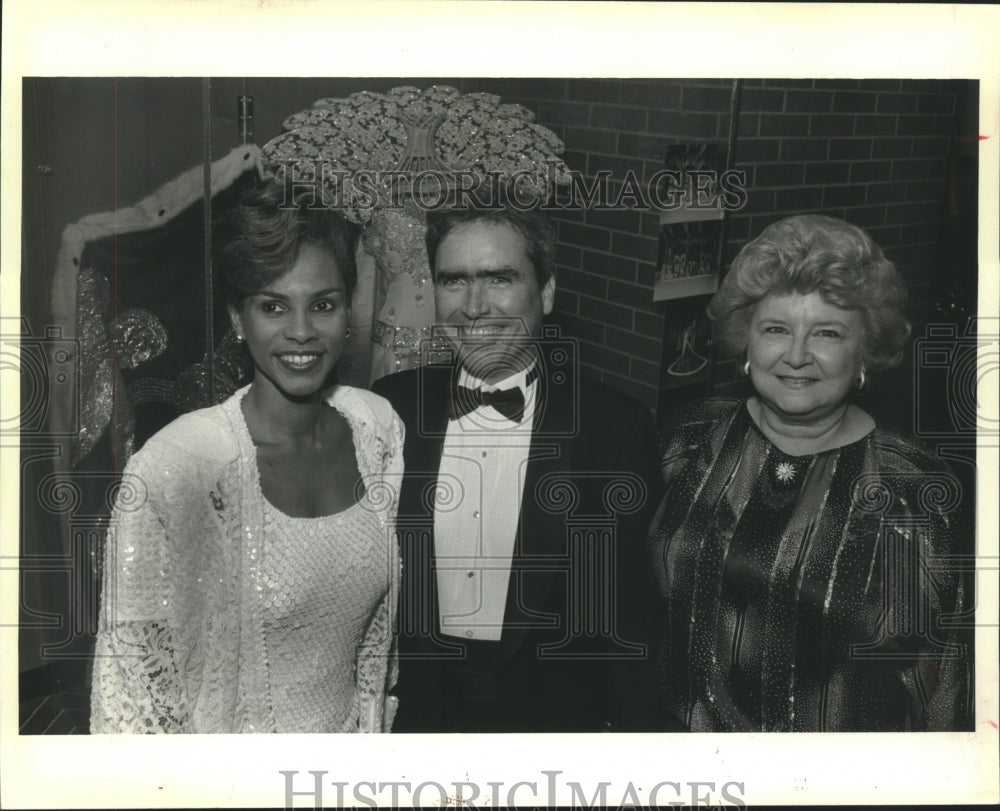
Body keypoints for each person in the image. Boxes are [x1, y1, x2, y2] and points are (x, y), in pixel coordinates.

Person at [90, 183, 404, 733]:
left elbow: (377, 656)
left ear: (348, 310)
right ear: (238, 318)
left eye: (323, 304)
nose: (302, 331)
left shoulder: (377, 429)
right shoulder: (179, 467)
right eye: (273, 306)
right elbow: (132, 699)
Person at [648, 214, 971, 732]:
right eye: (776, 329)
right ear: (746, 345)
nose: (796, 356)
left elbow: (948, 681)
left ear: (864, 351)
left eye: (826, 332)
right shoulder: (687, 440)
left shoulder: (915, 488)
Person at [372, 207, 664, 732]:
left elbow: (630, 620)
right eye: (454, 281)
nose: (475, 307)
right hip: (415, 712)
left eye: (500, 279)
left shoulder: (615, 429)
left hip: (551, 720)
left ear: (546, 293)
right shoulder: (389, 408)